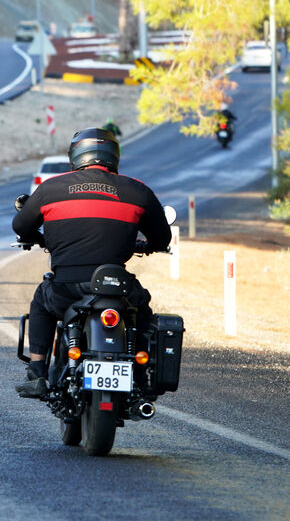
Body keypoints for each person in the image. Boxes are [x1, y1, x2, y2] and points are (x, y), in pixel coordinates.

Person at [11, 127, 171, 398]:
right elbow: (162, 237)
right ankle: (141, 375)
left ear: (75, 155)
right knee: (142, 312)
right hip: (118, 288)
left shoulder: (51, 188)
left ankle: (37, 372)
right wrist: (148, 246)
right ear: (114, 156)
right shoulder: (138, 190)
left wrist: (37, 237)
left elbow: (20, 226)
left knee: (41, 301)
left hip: (66, 288)